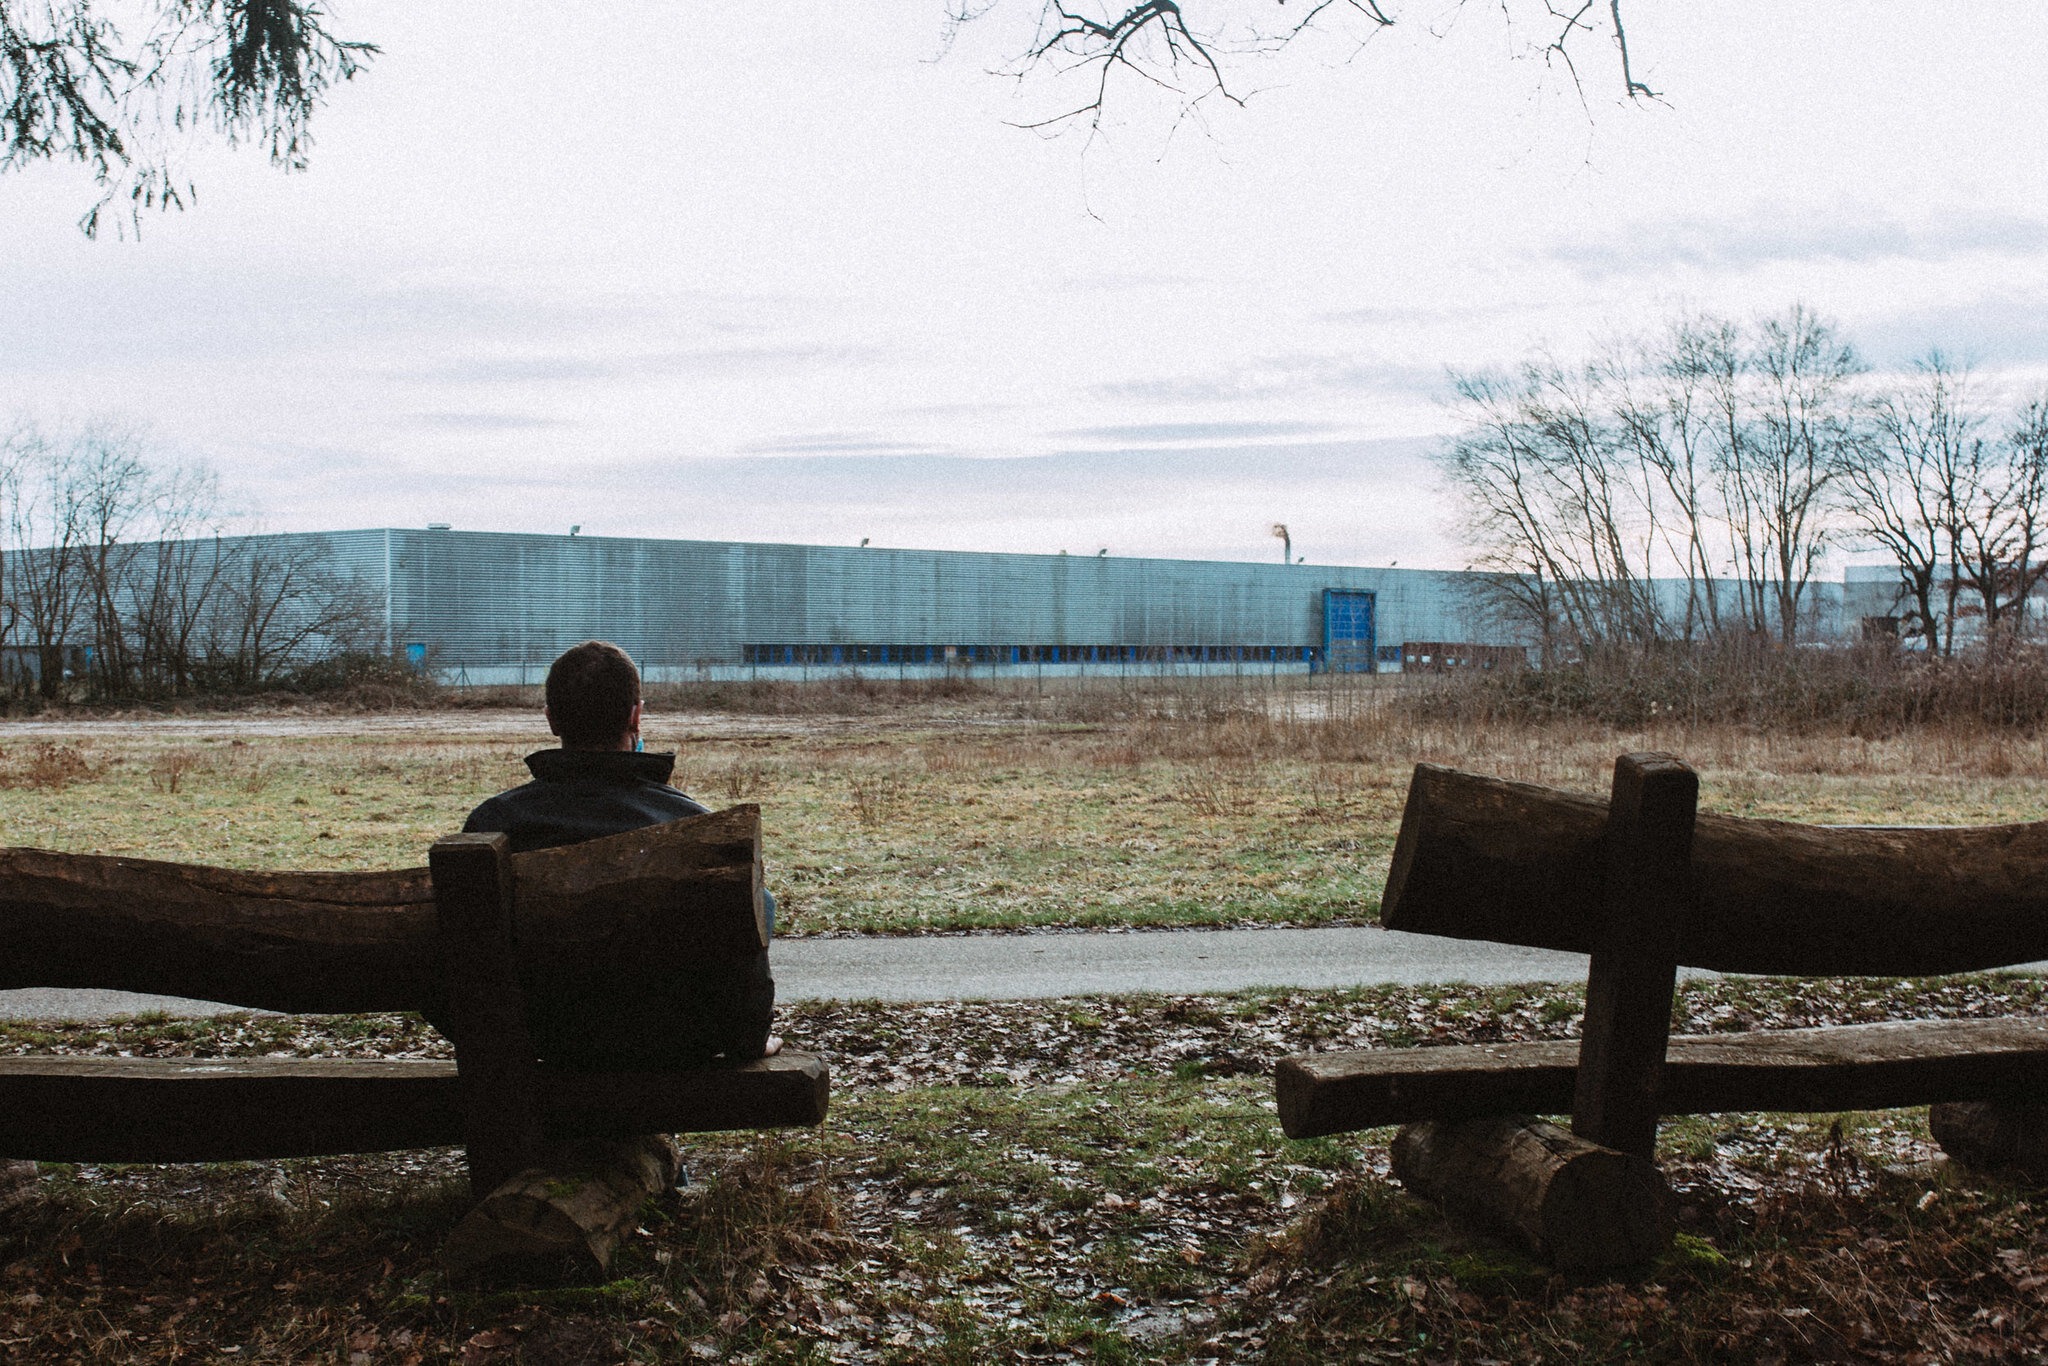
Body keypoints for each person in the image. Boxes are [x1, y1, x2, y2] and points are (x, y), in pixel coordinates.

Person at [460, 639, 779, 1067]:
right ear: (636, 715)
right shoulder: (690, 826)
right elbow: (737, 977)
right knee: (759, 902)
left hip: (542, 1038)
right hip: (670, 1041)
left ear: (552, 720)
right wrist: (748, 1038)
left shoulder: (492, 823)